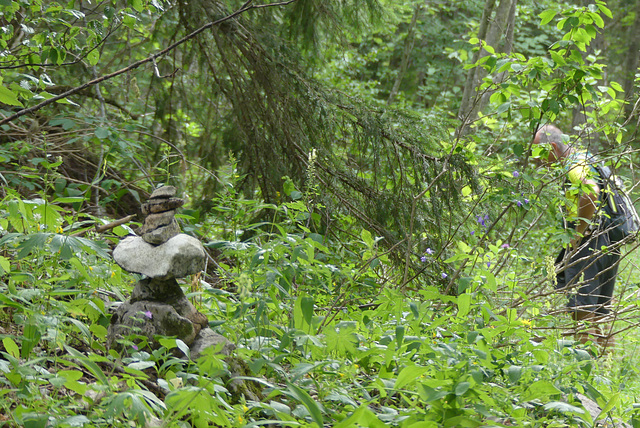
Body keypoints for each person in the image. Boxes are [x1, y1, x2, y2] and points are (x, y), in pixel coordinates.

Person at [533, 124, 620, 348]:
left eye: (537, 153)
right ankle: (606, 370)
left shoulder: (574, 166)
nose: (537, 160)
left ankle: (584, 371)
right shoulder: (588, 158)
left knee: (581, 313)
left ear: (552, 147)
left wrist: (578, 232)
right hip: (609, 241)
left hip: (590, 243)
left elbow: (591, 191)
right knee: (599, 314)